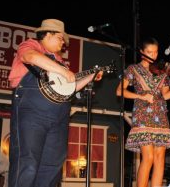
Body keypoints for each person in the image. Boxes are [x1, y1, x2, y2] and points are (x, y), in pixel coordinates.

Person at [8, 19, 103, 187]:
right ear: (48, 34)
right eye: (60, 38)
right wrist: (62, 70)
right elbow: (30, 57)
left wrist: (91, 76)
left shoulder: (60, 61)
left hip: (59, 115)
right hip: (32, 110)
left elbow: (71, 87)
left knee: (52, 167)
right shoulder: (31, 45)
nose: (63, 43)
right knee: (28, 162)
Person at [116, 37, 170, 187]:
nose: (153, 56)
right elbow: (120, 91)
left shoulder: (162, 71)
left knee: (160, 158)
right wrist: (140, 95)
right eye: (149, 52)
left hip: (160, 115)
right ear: (141, 52)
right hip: (142, 115)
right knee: (148, 158)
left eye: (155, 52)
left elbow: (166, 95)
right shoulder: (133, 69)